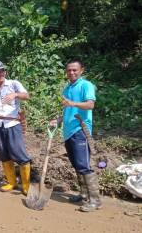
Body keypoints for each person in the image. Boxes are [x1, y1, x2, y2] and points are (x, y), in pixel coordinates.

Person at [50, 58, 101, 212]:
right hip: (68, 132)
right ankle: (83, 194)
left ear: (81, 70)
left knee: (84, 165)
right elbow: (67, 111)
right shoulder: (66, 89)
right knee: (76, 165)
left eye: (74, 70)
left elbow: (90, 105)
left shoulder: (86, 85)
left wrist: (73, 104)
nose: (71, 72)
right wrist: (57, 120)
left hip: (80, 131)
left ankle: (95, 200)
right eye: (69, 70)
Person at [0, 60, 31, 195]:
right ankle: (12, 182)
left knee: (19, 154)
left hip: (12, 124)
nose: (0, 74)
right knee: (3, 153)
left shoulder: (13, 84)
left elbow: (27, 96)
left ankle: (26, 185)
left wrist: (15, 94)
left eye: (2, 71)